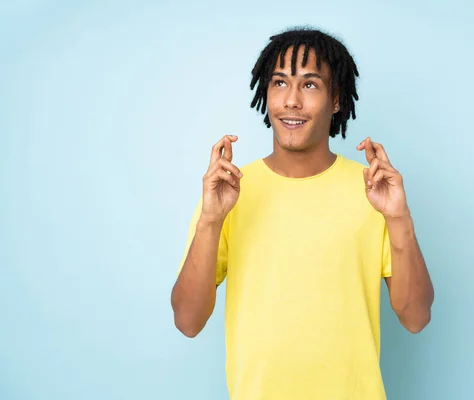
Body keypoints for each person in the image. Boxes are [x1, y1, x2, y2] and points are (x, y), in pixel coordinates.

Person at [171, 27, 434, 400]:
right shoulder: (228, 191)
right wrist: (211, 220)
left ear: (337, 99)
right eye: (280, 83)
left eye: (309, 85)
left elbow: (416, 317)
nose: (291, 100)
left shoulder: (374, 193)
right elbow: (187, 321)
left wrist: (398, 218)